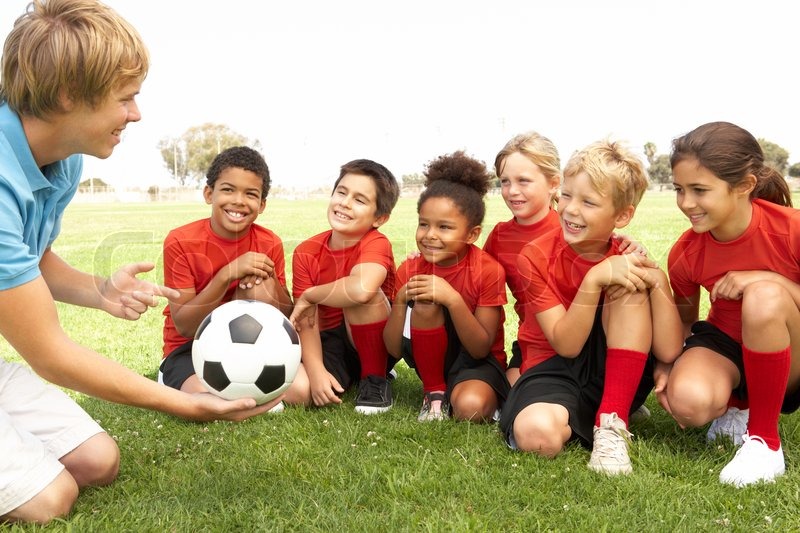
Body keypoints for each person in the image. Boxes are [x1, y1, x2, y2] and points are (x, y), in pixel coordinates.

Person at [0, 0, 280, 524]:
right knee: (50, 500)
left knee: (97, 461)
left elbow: (29, 256)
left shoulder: (60, 161)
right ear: (67, 95)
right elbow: (49, 354)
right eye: (126, 98)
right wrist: (187, 403)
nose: (136, 113)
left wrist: (98, 289)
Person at [499, 139, 682, 475]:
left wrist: (658, 280)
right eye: (566, 195)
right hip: (553, 367)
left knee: (626, 285)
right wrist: (593, 279)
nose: (570, 209)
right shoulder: (535, 256)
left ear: (623, 215)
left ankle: (611, 422)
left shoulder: (626, 256)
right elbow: (566, 345)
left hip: (611, 364)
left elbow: (670, 350)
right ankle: (602, 407)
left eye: (589, 202)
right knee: (537, 435)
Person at [659, 121, 800, 487]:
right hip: (727, 345)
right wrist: (666, 369)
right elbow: (686, 323)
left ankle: (764, 441)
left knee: (764, 297)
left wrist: (771, 280)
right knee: (688, 402)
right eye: (679, 189)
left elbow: (772, 294)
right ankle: (740, 405)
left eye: (700, 190)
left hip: (792, 348)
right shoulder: (686, 252)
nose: (686, 203)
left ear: (744, 186)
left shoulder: (792, 231)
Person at [160, 146, 308, 408]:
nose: (239, 201)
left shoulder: (268, 241)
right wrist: (226, 275)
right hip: (192, 348)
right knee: (206, 401)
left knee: (302, 393)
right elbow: (183, 325)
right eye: (228, 189)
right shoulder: (180, 241)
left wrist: (271, 283)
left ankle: (252, 388)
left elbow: (286, 316)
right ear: (209, 194)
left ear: (261, 204)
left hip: (258, 347)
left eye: (250, 194)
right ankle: (170, 377)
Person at [384, 151, 510, 422]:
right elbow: (393, 349)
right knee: (426, 301)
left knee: (470, 408)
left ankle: (479, 395)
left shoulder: (488, 270)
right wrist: (399, 302)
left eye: (444, 227)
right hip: (432, 358)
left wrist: (452, 299)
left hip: (477, 362)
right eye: (423, 224)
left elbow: (480, 349)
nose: (430, 235)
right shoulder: (410, 268)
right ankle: (434, 394)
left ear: (472, 234)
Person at [289, 159, 399, 414]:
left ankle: (375, 378)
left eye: (360, 200)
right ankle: (350, 373)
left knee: (360, 295)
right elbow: (307, 318)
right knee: (298, 392)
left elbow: (361, 289)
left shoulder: (376, 242)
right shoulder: (306, 251)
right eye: (341, 192)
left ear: (379, 218)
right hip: (329, 342)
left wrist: (312, 294)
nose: (345, 203)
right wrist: (316, 372)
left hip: (377, 336)